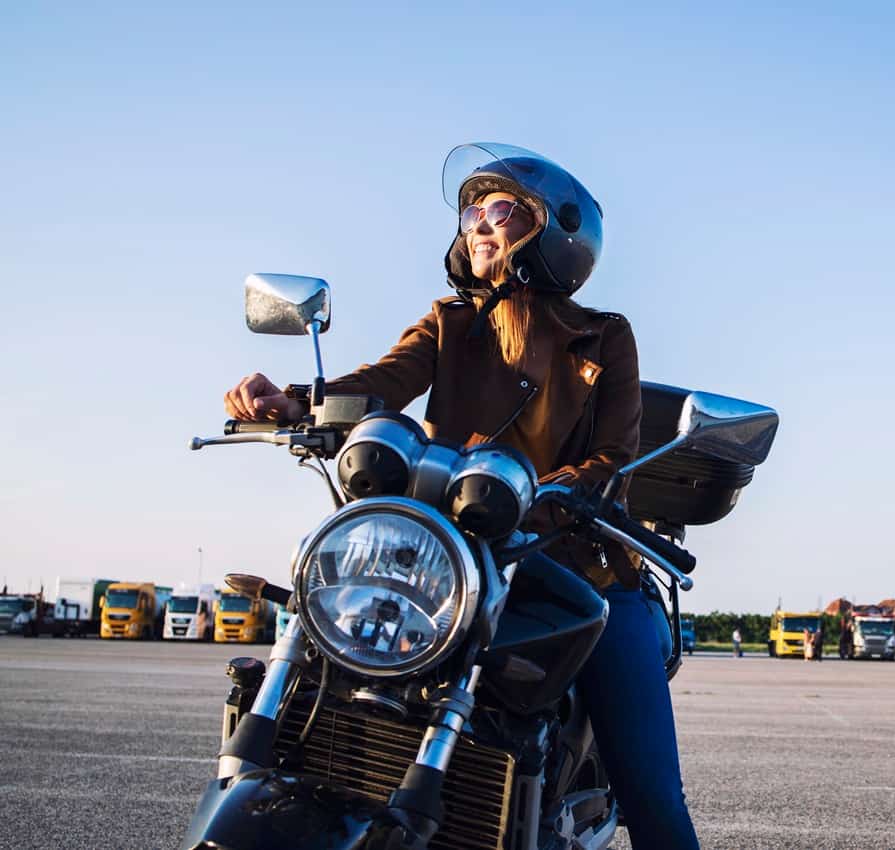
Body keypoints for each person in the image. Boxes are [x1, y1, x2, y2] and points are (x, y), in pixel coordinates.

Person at [223, 143, 699, 850]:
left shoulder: (604, 337)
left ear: (557, 233)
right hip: (447, 563)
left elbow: (612, 458)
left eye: (500, 209)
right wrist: (294, 405)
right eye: (471, 210)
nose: (477, 223)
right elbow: (377, 383)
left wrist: (549, 493)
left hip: (573, 565)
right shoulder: (447, 323)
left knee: (653, 797)